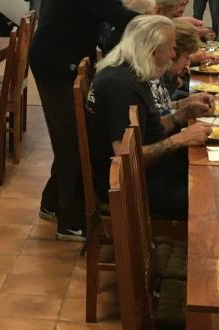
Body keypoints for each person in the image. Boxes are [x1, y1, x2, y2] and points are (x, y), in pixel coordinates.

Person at [28, 0, 140, 240]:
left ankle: (51, 203)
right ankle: (69, 220)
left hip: (67, 59)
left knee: (73, 136)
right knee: (71, 142)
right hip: (56, 64)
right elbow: (116, 15)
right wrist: (161, 22)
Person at [86, 15, 212, 221]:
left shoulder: (131, 71)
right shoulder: (122, 86)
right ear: (153, 50)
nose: (174, 54)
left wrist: (184, 114)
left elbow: (146, 130)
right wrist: (181, 139)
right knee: (211, 200)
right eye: (171, 48)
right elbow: (126, 158)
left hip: (150, 171)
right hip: (131, 185)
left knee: (211, 172)